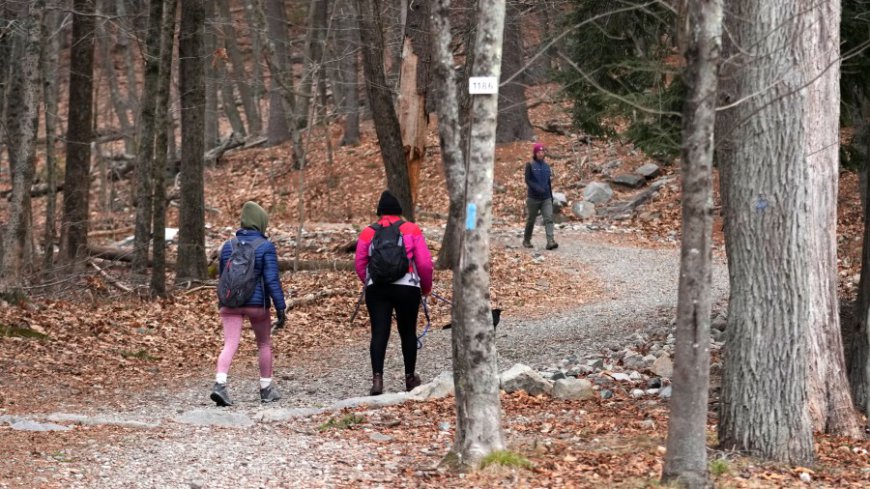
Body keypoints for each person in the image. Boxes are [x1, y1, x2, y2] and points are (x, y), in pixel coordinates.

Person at [355, 190, 433, 395]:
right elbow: (424, 264)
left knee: (379, 332)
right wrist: (425, 287)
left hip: (377, 288)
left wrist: (370, 282)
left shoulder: (367, 233)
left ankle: (378, 380)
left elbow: (359, 264)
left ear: (380, 213)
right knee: (407, 332)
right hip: (408, 287)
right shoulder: (412, 229)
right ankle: (409, 379)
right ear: (399, 211)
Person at [211, 201, 286, 406]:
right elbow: (271, 280)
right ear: (261, 223)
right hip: (257, 305)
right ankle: (266, 388)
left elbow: (223, 277)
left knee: (230, 343)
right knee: (263, 343)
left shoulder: (228, 246)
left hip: (230, 302)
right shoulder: (266, 246)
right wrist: (280, 307)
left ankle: (220, 384)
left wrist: (222, 301)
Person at [523, 142, 558, 250]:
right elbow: (527, 180)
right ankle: (526, 240)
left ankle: (550, 241)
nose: (541, 153)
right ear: (535, 153)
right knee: (531, 219)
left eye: (542, 151)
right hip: (533, 198)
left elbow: (548, 182)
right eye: (538, 151)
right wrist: (537, 188)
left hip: (546, 198)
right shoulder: (530, 165)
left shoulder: (547, 167)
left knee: (549, 218)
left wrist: (551, 197)